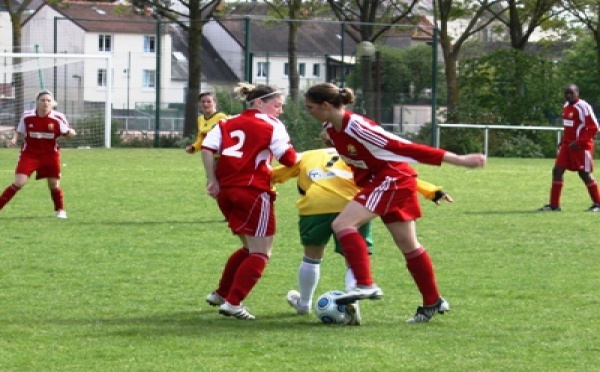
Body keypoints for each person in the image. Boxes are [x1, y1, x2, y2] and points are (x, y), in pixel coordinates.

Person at [303, 83, 486, 323]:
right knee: (408, 244)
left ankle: (365, 284)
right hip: (386, 180)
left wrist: (459, 160)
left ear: (326, 106)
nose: (309, 112)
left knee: (343, 225)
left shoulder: (358, 126)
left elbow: (404, 147)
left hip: (392, 178)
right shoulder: (330, 126)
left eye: (310, 107)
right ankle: (433, 301)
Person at [271, 142, 453, 325]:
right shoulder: (354, 149)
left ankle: (304, 303)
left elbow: (272, 175)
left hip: (321, 203)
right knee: (383, 251)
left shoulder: (314, 152)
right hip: (358, 200)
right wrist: (431, 190)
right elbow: (394, 172)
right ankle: (356, 301)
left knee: (312, 256)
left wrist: (266, 191)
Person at [201, 83, 298, 320]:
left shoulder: (227, 122)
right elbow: (288, 158)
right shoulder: (272, 125)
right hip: (253, 191)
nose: (280, 111)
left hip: (225, 192)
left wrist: (211, 180)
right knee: (261, 252)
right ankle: (233, 303)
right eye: (277, 105)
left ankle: (221, 294)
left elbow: (207, 148)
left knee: (248, 247)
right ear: (259, 103)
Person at [0, 90, 77, 218]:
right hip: (29, 154)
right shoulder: (27, 116)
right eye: (42, 100)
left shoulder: (58, 117)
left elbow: (67, 133)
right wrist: (14, 139)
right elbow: (19, 130)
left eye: (48, 100)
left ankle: (60, 210)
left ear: (52, 103)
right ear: (37, 102)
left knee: (53, 184)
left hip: (50, 155)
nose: (45, 103)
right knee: (19, 182)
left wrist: (71, 133)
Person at [538, 83, 600, 212]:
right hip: (567, 145)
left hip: (581, 147)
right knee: (557, 171)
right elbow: (569, 126)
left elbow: (594, 127)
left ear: (577, 93)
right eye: (566, 93)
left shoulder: (583, 107)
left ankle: (598, 203)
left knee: (584, 174)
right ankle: (554, 205)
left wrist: (579, 142)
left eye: (571, 93)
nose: (568, 95)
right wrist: (563, 140)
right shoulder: (566, 106)